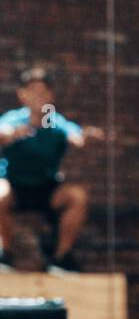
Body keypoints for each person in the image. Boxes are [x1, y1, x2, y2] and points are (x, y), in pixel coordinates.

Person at [0, 67, 106, 273]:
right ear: (23, 94)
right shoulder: (14, 119)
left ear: (50, 95)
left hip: (46, 189)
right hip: (15, 188)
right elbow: (2, 132)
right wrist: (10, 135)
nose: (38, 96)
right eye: (33, 90)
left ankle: (61, 258)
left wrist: (87, 137)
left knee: (77, 196)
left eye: (43, 91)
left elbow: (76, 137)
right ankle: (5, 253)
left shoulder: (54, 121)